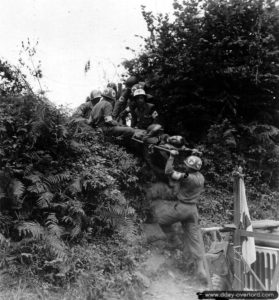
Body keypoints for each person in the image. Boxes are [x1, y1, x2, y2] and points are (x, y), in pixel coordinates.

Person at [152, 151, 207, 283]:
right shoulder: (200, 177)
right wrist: (193, 155)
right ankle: (201, 268)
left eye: (187, 165)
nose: (185, 166)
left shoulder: (187, 176)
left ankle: (173, 240)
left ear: (189, 168)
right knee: (194, 239)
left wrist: (171, 156)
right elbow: (191, 169)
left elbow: (169, 172)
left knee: (160, 220)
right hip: (193, 211)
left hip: (183, 208)